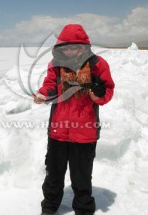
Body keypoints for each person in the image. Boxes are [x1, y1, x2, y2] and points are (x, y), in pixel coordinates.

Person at [32, 24, 115, 215]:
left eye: (74, 47)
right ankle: (49, 207)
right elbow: (50, 86)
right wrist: (44, 95)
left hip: (85, 132)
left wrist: (98, 95)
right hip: (58, 131)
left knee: (81, 177)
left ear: (84, 46)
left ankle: (84, 210)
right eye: (65, 47)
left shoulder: (98, 64)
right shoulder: (55, 65)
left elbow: (108, 90)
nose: (69, 51)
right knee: (53, 174)